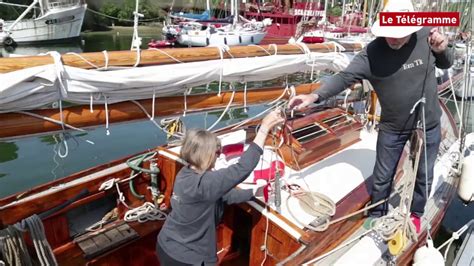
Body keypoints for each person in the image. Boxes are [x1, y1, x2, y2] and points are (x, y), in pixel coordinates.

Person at [288, 0, 453, 233]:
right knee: (382, 175)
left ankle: (416, 213)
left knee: (424, 173)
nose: (393, 39)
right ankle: (377, 212)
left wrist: (441, 49)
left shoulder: (427, 37)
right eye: (388, 33)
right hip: (393, 127)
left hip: (428, 124)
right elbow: (344, 78)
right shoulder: (372, 54)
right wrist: (314, 97)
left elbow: (447, 62)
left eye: (399, 34)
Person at [156, 109, 285, 266]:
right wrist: (264, 128)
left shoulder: (185, 173)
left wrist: (252, 192)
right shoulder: (206, 182)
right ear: (208, 155)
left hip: (166, 245)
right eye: (218, 152)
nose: (219, 155)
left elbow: (222, 195)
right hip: (188, 260)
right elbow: (242, 168)